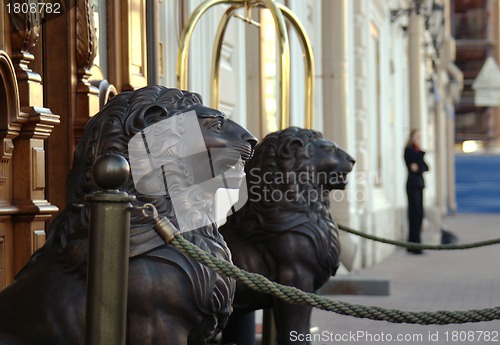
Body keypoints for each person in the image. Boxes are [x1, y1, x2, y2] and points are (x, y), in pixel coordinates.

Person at [404, 129, 429, 254]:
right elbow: (413, 167)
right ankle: (413, 244)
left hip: (419, 184)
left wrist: (419, 165)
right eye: (417, 136)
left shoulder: (418, 152)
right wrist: (419, 164)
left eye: (420, 136)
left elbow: (425, 167)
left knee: (419, 214)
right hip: (412, 184)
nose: (419, 138)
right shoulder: (409, 151)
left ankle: (417, 243)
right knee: (414, 214)